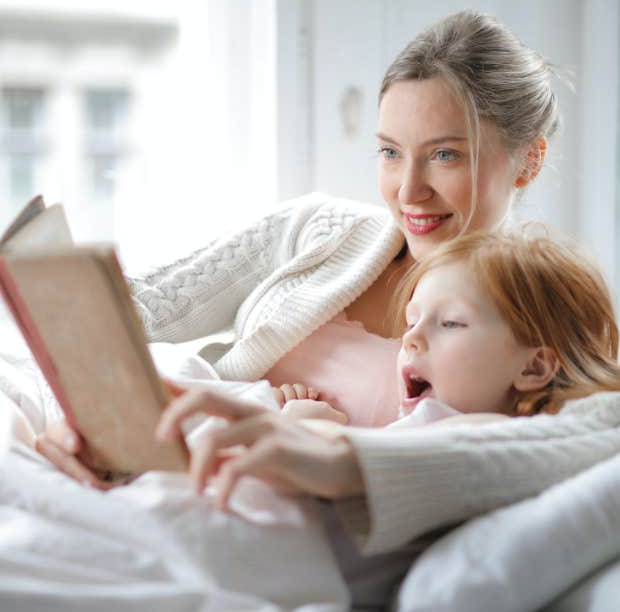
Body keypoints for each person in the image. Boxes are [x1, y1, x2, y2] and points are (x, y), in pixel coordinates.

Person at [33, 10, 620, 577]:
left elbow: (592, 436)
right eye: (390, 153)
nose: (408, 190)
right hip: (169, 471)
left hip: (270, 532)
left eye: (445, 154)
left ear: (529, 161)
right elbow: (126, 314)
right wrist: (85, 416)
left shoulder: (543, 321)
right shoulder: (319, 230)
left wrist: (345, 459)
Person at [155, 230, 620, 607]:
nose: (411, 340)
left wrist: (305, 426)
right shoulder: (433, 430)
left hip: (227, 550)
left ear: (534, 367)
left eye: (451, 323)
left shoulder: (483, 432)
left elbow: (418, 463)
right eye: (411, 322)